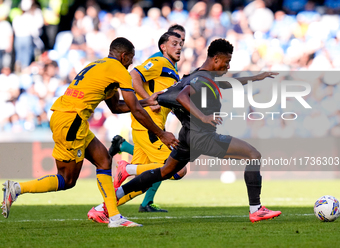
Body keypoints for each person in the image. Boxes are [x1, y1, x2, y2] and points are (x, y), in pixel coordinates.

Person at [1, 37, 179, 228]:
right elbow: (134, 110)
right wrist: (162, 134)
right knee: (67, 179)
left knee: (103, 159)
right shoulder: (119, 70)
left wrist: (146, 101)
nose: (132, 63)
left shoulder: (98, 65)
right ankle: (17, 188)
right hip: (72, 121)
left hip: (66, 117)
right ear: (124, 56)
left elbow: (116, 107)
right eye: (131, 58)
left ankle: (115, 217)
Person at [112, 38, 282, 223]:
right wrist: (204, 117)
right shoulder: (202, 78)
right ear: (216, 59)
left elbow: (224, 84)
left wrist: (254, 78)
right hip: (202, 136)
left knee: (164, 171)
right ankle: (256, 209)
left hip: (188, 136)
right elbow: (183, 96)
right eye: (226, 62)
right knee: (253, 155)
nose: (227, 66)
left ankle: (107, 203)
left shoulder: (198, 75)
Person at [87, 29, 187, 224]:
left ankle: (102, 209)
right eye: (174, 43)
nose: (179, 47)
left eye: (181, 43)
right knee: (178, 169)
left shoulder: (172, 70)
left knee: (145, 181)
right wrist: (147, 100)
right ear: (163, 47)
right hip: (149, 125)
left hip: (149, 124)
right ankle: (128, 168)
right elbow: (133, 75)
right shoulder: (159, 62)